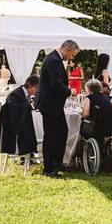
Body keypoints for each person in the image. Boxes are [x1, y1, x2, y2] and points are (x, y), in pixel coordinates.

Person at [36, 39, 80, 177]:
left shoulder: (53, 58)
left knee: (59, 133)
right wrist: (70, 92)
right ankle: (50, 168)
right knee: (53, 135)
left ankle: (56, 164)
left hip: (52, 104)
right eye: (72, 54)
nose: (72, 58)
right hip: (50, 104)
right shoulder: (54, 60)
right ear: (67, 50)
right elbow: (56, 84)